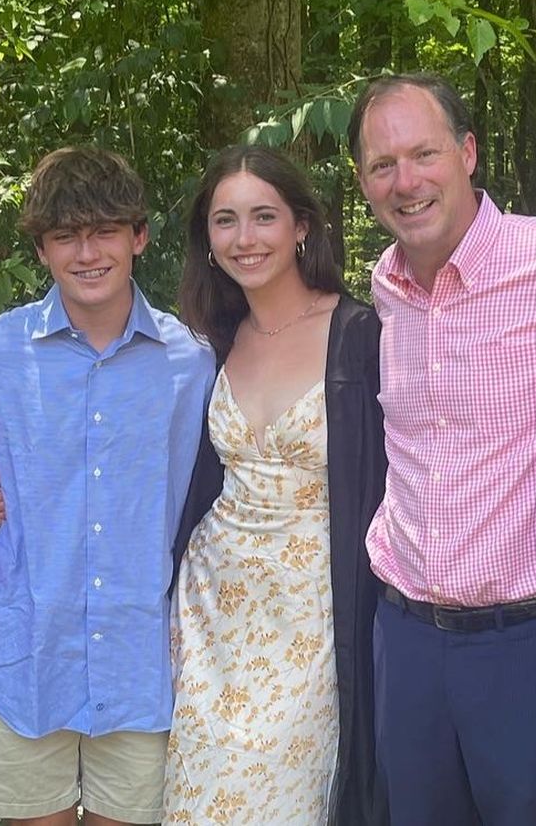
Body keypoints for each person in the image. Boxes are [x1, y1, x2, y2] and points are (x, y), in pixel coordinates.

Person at [347, 73, 536, 825]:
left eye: (425, 154)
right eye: (382, 165)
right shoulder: (384, 286)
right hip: (405, 641)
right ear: (363, 182)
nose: (406, 181)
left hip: (531, 646)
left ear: (467, 153)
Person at [0, 146, 216, 826]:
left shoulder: (191, 362)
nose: (88, 252)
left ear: (139, 237)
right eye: (66, 235)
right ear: (42, 248)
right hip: (24, 656)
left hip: (142, 663)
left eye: (105, 231)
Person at [164, 145, 388, 825]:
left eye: (264, 216)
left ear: (301, 227)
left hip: (312, 615)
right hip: (208, 611)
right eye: (225, 220)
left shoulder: (361, 335)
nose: (245, 238)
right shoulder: (210, 341)